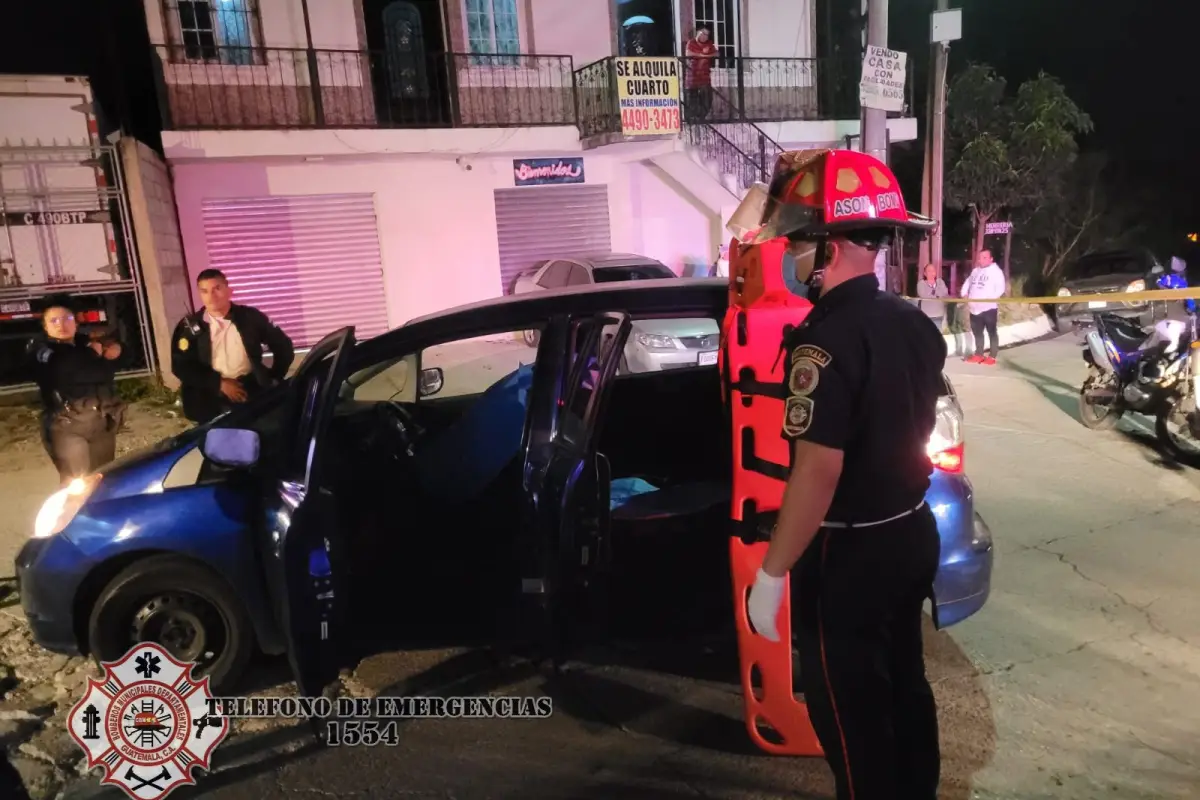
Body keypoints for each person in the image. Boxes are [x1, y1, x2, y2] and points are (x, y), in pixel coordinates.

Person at [737, 149, 946, 799]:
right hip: (912, 533)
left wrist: (772, 573)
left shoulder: (821, 342)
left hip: (851, 552)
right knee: (905, 686)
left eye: (799, 242)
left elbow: (819, 472)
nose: (793, 256)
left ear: (829, 247)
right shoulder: (913, 323)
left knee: (850, 709)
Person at [171, 268, 295, 424]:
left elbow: (283, 347)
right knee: (216, 444)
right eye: (205, 291)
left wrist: (274, 378)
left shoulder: (250, 317)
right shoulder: (189, 327)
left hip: (250, 392)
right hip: (208, 399)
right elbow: (181, 366)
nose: (212, 296)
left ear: (229, 290)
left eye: (217, 288)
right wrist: (218, 383)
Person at [27, 297, 126, 484]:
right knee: (75, 485)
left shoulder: (84, 343)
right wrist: (94, 355)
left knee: (102, 479)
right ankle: (73, 514)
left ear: (76, 323)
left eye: (67, 319)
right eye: (53, 321)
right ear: (45, 326)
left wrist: (117, 349)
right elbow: (69, 371)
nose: (61, 325)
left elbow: (121, 360)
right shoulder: (41, 350)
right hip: (66, 426)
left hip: (101, 422)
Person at [961, 249, 1006, 364]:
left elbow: (1000, 288)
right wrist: (964, 293)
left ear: (991, 259)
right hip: (974, 309)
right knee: (977, 332)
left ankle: (992, 356)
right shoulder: (975, 271)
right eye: (980, 257)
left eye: (985, 257)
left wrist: (989, 299)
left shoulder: (996, 272)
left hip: (988, 309)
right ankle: (979, 354)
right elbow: (967, 283)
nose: (982, 259)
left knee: (991, 331)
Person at [684, 28, 718, 119]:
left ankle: (701, 118)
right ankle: (693, 120)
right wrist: (702, 55)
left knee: (707, 99)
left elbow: (716, 54)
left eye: (707, 35)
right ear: (698, 33)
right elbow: (688, 53)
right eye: (703, 34)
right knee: (692, 99)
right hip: (692, 77)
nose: (705, 36)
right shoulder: (691, 42)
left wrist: (705, 56)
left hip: (705, 77)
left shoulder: (709, 44)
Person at [916, 263, 950, 331]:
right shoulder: (921, 283)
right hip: (926, 316)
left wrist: (933, 293)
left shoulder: (940, 282)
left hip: (939, 315)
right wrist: (937, 294)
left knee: (937, 338)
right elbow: (923, 295)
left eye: (933, 270)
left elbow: (945, 292)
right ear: (925, 273)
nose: (932, 273)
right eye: (929, 271)